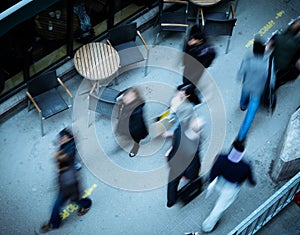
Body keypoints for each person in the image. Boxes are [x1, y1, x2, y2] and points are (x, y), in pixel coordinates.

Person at [201, 140, 256, 233]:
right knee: (220, 207)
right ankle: (207, 226)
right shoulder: (245, 166)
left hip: (220, 182)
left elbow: (213, 172)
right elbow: (251, 181)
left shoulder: (221, 158)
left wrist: (210, 181)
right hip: (231, 188)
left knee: (220, 202)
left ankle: (208, 225)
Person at [40, 151, 92, 233]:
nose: (55, 164)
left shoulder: (68, 176)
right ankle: (54, 223)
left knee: (77, 201)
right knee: (56, 207)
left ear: (60, 164)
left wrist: (71, 199)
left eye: (56, 162)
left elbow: (73, 189)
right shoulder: (65, 169)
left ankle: (87, 204)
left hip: (70, 194)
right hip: (65, 191)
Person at [236, 37, 272, 142]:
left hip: (247, 85)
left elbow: (240, 74)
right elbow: (271, 80)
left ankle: (242, 105)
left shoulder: (248, 59)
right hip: (258, 89)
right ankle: (242, 135)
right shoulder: (267, 64)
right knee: (251, 113)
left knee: (244, 97)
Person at [166, 116, 204, 208]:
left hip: (174, 162)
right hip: (185, 167)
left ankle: (171, 201)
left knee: (172, 182)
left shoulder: (180, 129)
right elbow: (195, 163)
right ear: (198, 131)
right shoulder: (194, 146)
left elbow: (175, 137)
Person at [180, 24, 217, 105]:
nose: (190, 41)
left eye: (193, 39)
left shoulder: (206, 49)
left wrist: (204, 66)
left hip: (196, 70)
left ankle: (194, 100)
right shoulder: (189, 42)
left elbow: (211, 57)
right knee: (186, 81)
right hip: (188, 66)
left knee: (190, 85)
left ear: (199, 40)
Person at [265, 18, 300, 89]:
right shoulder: (296, 44)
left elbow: (268, 46)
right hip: (285, 66)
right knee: (278, 79)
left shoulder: (281, 37)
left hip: (275, 60)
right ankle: (272, 87)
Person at [115, 87, 149, 157]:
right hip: (126, 125)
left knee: (136, 139)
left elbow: (135, 122)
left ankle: (136, 147)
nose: (126, 99)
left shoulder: (136, 109)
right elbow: (119, 95)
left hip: (134, 128)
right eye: (126, 96)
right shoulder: (125, 104)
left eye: (130, 97)